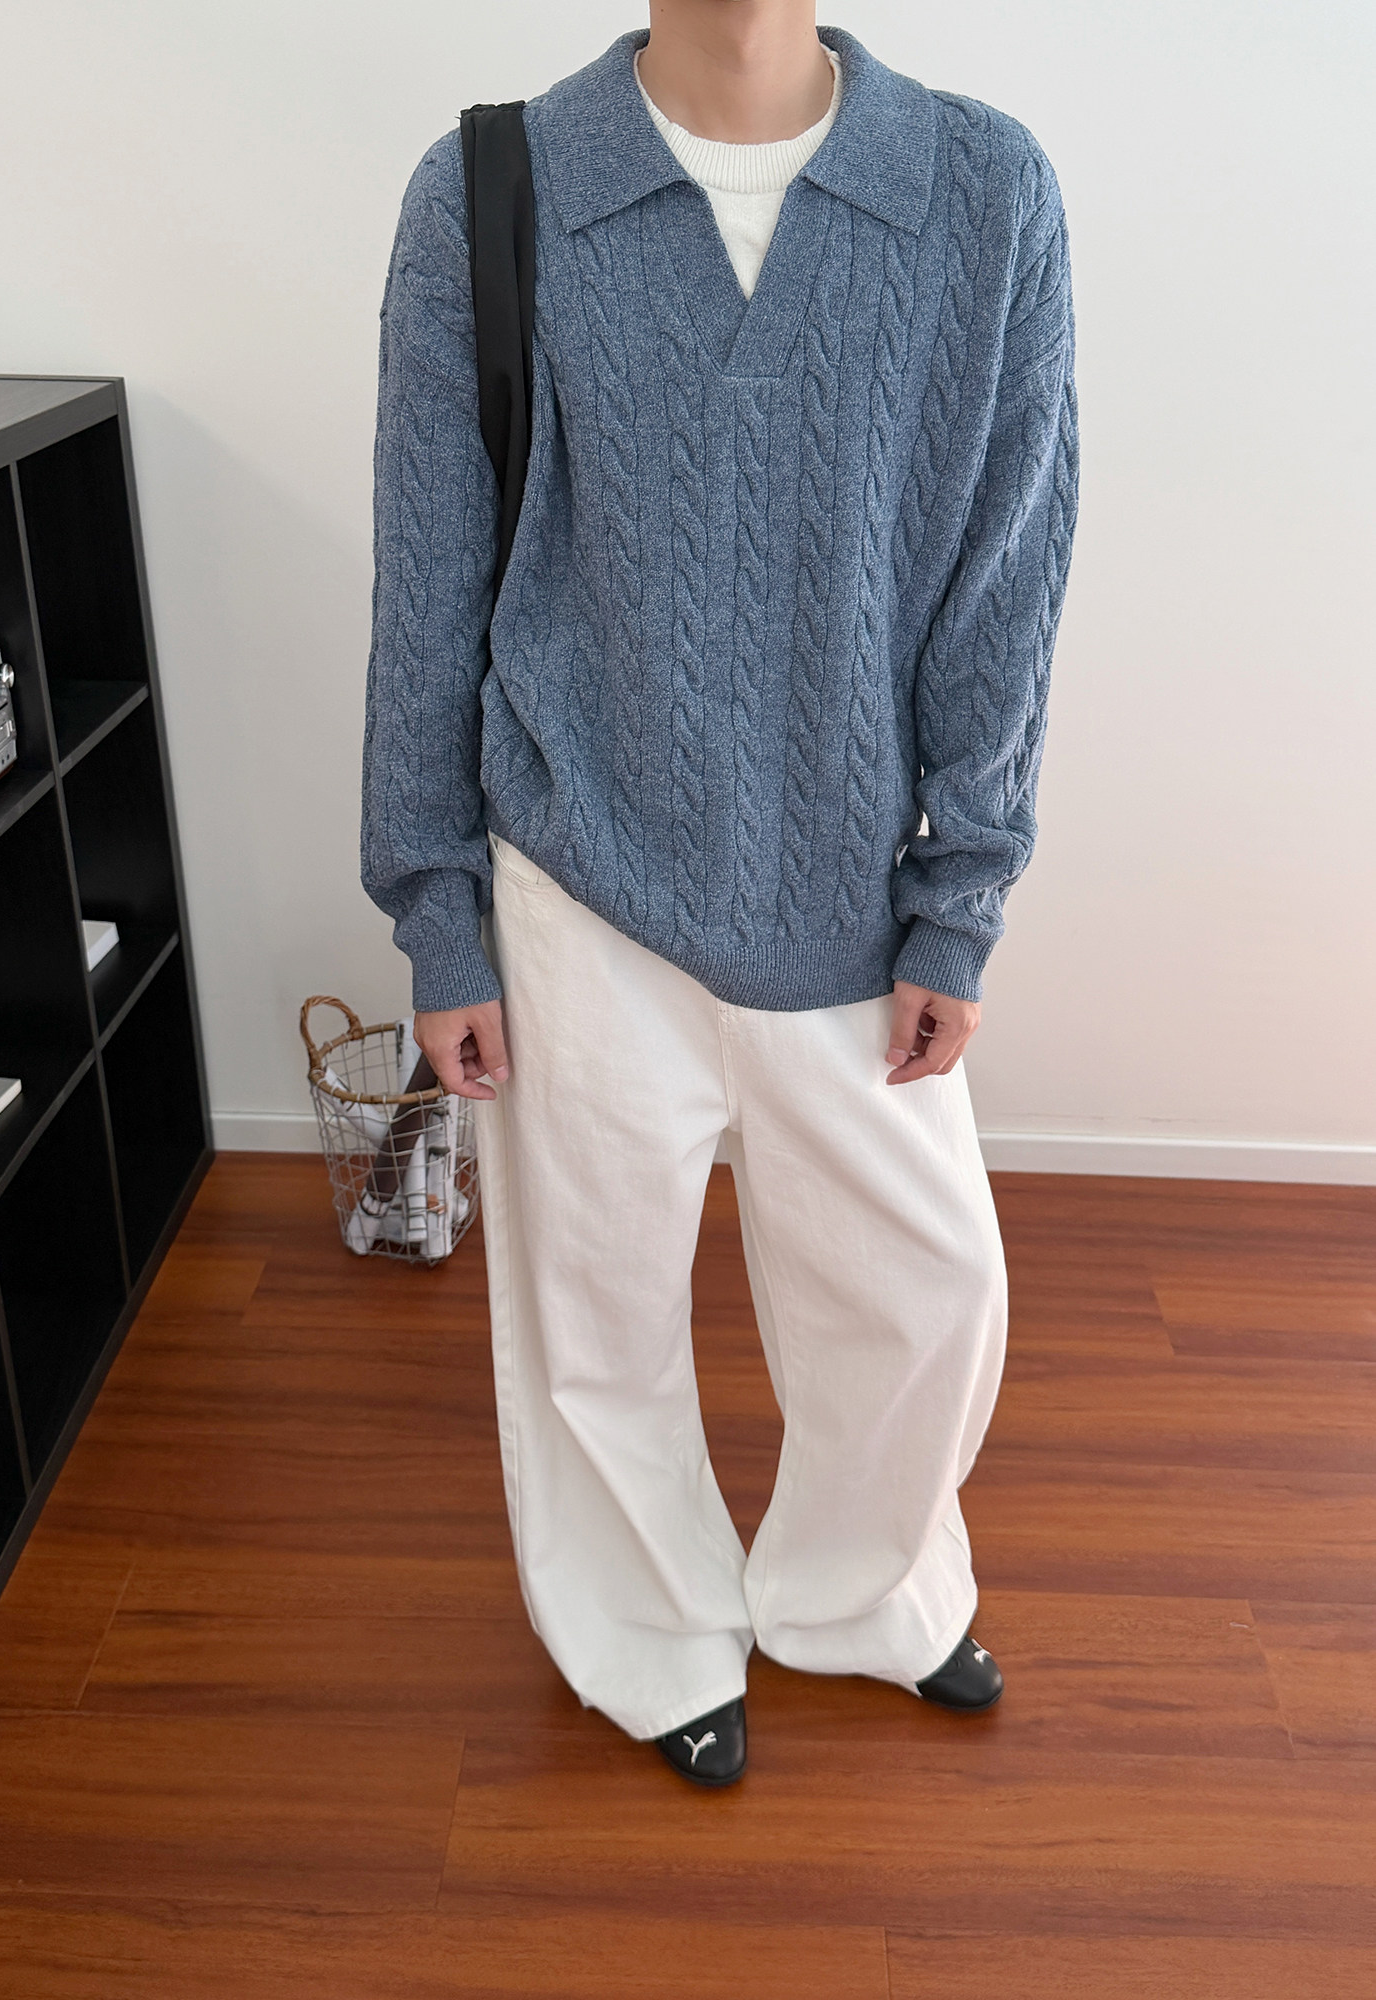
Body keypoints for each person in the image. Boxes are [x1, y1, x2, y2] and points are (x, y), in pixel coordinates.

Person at [362, 1, 1078, 1787]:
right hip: (578, 876)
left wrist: (963, 893)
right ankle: (646, 1628)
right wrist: (438, 912)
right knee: (594, 1313)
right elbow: (429, 576)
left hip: (851, 892)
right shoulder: (494, 189)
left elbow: (1008, 573)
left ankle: (858, 1591)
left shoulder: (982, 189)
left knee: (926, 1294)